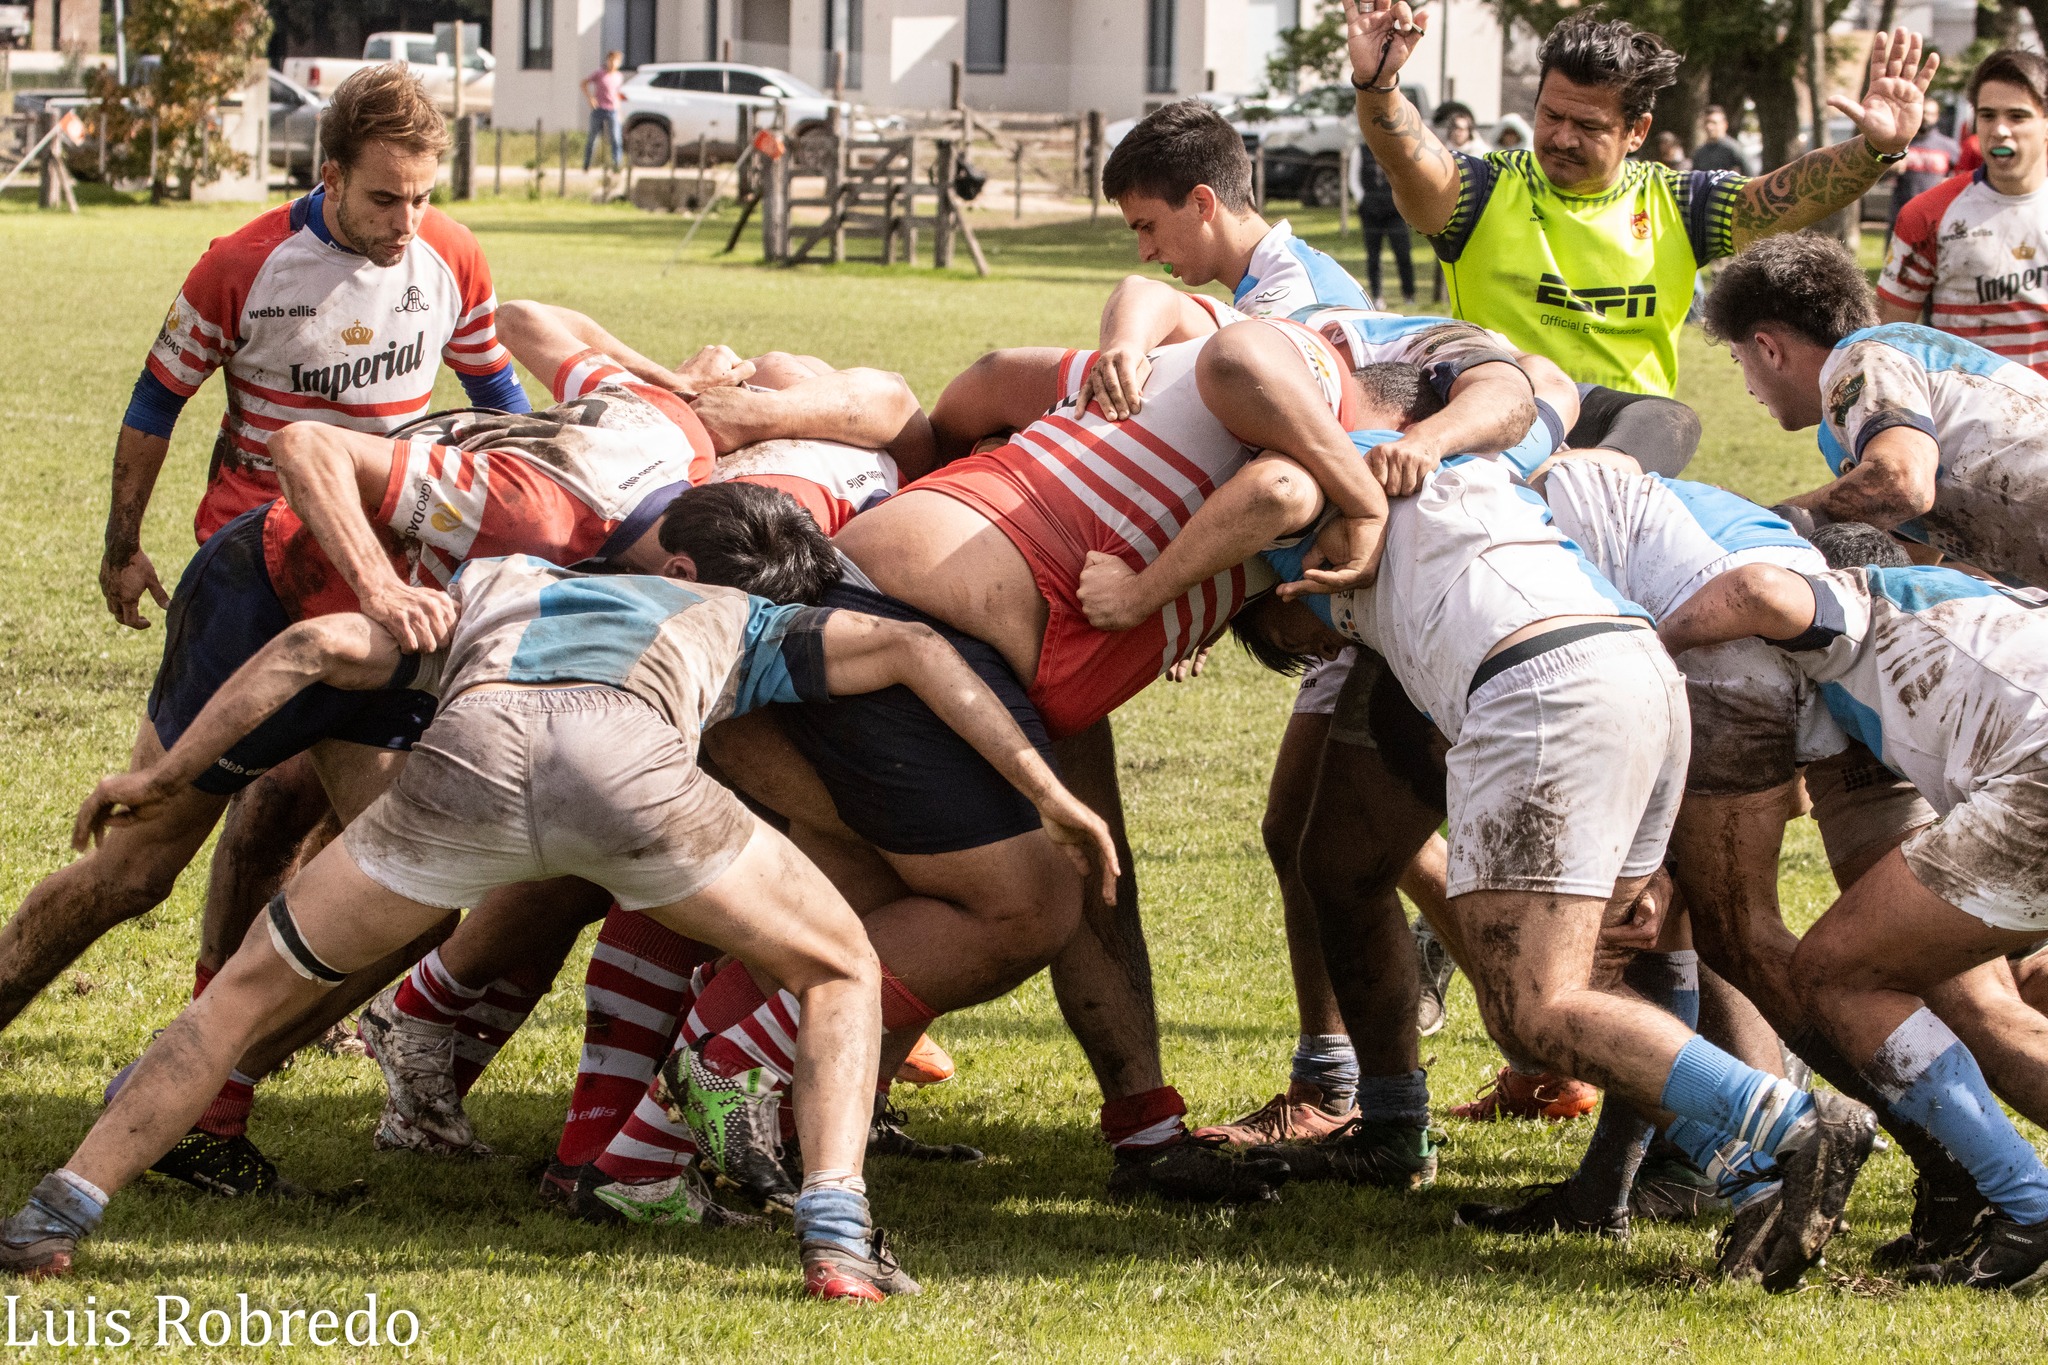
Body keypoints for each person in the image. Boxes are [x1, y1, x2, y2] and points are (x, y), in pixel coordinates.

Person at [0, 546, 1118, 1302]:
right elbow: (921, 654)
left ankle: (57, 1212)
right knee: (837, 970)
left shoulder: (488, 582)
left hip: (463, 772)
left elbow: (310, 652)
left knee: (238, 1001)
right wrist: (1054, 796)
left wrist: (170, 774)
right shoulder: (742, 611)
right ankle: (834, 1239)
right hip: (629, 773)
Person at [1091, 390, 1879, 1291]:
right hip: (1638, 668)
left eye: (1294, 639)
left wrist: (1146, 594)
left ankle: (1793, 1126)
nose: (1321, 648)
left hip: (1539, 683)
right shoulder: (1448, 462)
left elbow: (1272, 495)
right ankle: (1751, 1179)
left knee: (1535, 1009)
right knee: (1612, 970)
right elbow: (1528, 391)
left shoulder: (1299, 488)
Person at [71, 64, 531, 1143]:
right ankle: (210, 1017)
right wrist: (122, 546)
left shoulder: (450, 254)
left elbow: (497, 392)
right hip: (254, 564)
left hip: (389, 577)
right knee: (194, 828)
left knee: (352, 827)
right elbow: (154, 401)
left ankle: (216, 1027)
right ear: (328, 174)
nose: (407, 221)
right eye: (384, 198)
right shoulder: (243, 263)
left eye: (423, 196)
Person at [1657, 546, 2048, 1293]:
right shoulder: (1970, 595)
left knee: (1839, 974)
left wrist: (1662, 641)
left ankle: (2030, 1207)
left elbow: (1760, 587)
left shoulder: (1856, 602)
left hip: (2037, 773)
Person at [1346, 7, 1936, 396]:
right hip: (1495, 445)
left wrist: (1873, 151)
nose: (1562, 137)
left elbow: (1781, 199)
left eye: (1589, 125)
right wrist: (1380, 86)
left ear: (1637, 130)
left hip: (1633, 458)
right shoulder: (1480, 192)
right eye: (1550, 115)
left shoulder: (1676, 203)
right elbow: (1407, 157)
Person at [1707, 231, 2048, 589]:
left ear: (1768, 349)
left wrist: (1761, 520)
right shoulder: (1857, 419)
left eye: (1738, 360)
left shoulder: (1863, 357)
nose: (1747, 386)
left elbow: (1899, 486)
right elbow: (1909, 565)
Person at [1879, 52, 2048, 377]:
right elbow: (1884, 341)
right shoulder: (1927, 214)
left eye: (2017, 116)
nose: (2000, 130)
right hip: (1964, 421)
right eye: (1987, 115)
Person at [1350, 141, 1415, 306]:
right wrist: (1362, 199)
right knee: (1373, 255)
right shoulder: (1361, 150)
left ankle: (1409, 294)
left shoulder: (1396, 148)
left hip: (1395, 210)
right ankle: (1377, 295)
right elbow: (1353, 179)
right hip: (1371, 211)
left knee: (1403, 252)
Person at [1884, 96, 1959, 236]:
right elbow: (1877, 176)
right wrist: (1890, 168)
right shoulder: (1899, 143)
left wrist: (1950, 182)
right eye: (1923, 113)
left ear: (1937, 117)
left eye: (1930, 114)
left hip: (1935, 218)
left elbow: (1963, 177)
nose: (1925, 118)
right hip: (1902, 215)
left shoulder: (1949, 146)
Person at [583, 50, 627, 172]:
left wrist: (620, 109)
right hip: (599, 109)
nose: (613, 63)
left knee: (616, 138)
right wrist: (591, 98)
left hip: (612, 110)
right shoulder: (599, 73)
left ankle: (616, 165)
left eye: (616, 61)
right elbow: (584, 83)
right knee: (593, 138)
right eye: (611, 60)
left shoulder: (619, 76)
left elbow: (618, 93)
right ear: (607, 61)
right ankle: (587, 164)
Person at [1690, 104, 1751, 175]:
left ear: (1725, 125)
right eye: (1706, 122)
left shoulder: (1733, 148)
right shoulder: (1700, 152)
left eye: (1714, 123)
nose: (1709, 127)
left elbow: (1749, 174)